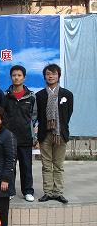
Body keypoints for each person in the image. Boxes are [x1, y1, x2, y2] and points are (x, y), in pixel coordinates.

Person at [36, 64, 73, 204]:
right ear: (45, 76)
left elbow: (68, 114)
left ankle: (58, 193)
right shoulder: (39, 95)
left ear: (59, 75)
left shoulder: (67, 94)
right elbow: (38, 115)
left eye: (53, 74)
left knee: (58, 165)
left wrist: (59, 127)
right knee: (46, 165)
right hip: (45, 134)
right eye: (47, 74)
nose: (50, 76)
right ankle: (48, 192)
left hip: (60, 134)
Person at [4, 65, 37, 202]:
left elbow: (34, 116)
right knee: (10, 166)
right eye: (14, 75)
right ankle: (10, 190)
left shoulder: (31, 96)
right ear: (11, 77)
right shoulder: (5, 96)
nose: (16, 77)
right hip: (9, 138)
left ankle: (28, 191)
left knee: (26, 165)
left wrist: (32, 132)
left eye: (19, 75)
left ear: (24, 77)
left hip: (25, 137)